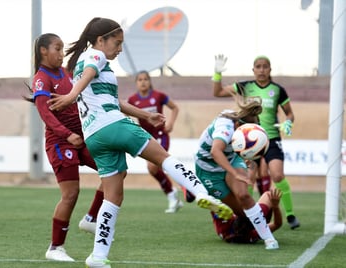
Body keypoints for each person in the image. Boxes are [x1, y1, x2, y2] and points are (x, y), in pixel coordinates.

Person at [47, 17, 233, 268]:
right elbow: (91, 74)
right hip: (114, 126)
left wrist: (146, 114)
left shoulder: (82, 62)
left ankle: (98, 257)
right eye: (117, 42)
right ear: (101, 40)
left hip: (95, 137)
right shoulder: (96, 56)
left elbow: (114, 99)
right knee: (163, 157)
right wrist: (70, 95)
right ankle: (201, 192)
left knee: (113, 196)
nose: (120, 49)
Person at [23, 33, 104, 262]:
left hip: (81, 138)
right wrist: (67, 135)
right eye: (57, 48)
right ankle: (55, 248)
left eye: (61, 48)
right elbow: (45, 114)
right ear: (43, 51)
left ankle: (91, 218)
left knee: (115, 171)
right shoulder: (42, 78)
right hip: (61, 142)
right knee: (71, 193)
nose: (61, 53)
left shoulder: (66, 73)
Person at [211, 54, 300, 230]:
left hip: (271, 138)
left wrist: (288, 122)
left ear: (270, 69)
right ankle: (246, 214)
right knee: (248, 177)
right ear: (253, 70)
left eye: (265, 66)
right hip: (248, 141)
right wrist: (217, 73)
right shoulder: (245, 87)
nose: (261, 70)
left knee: (277, 175)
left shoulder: (278, 90)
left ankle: (290, 215)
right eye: (258, 67)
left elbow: (289, 113)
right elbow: (217, 92)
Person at [194, 97, 279, 250]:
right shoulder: (225, 127)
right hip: (208, 169)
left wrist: (243, 160)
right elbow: (215, 151)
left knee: (244, 196)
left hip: (231, 159)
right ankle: (194, 192)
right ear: (239, 125)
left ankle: (269, 239)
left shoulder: (244, 125)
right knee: (242, 213)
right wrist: (235, 173)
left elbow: (240, 147)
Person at [127, 70, 182, 213]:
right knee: (154, 168)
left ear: (150, 81)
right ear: (136, 83)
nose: (143, 82)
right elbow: (124, 113)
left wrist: (171, 123)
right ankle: (173, 194)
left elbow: (174, 107)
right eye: (140, 79)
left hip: (160, 135)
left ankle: (174, 194)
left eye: (145, 79)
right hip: (145, 137)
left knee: (153, 167)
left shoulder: (158, 96)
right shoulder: (133, 100)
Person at [212, 188, 282, 244]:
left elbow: (213, 200)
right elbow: (277, 224)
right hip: (261, 216)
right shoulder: (257, 224)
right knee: (269, 195)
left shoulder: (224, 225)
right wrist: (275, 206)